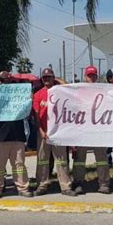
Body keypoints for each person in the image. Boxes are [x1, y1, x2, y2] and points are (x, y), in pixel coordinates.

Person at [33, 68, 76, 197]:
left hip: (58, 132)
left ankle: (65, 186)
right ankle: (42, 185)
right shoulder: (38, 94)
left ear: (54, 78)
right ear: (42, 79)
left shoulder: (61, 92)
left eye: (49, 77)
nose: (47, 79)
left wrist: (57, 82)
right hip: (43, 133)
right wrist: (40, 130)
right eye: (44, 77)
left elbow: (69, 89)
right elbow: (36, 115)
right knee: (42, 160)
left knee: (61, 160)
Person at [0, 71, 33, 198]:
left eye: (4, 80)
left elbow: (28, 112)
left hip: (17, 135)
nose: (1, 82)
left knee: (19, 164)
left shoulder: (19, 94)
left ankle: (22, 187)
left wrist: (29, 100)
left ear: (10, 80)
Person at [72, 66, 110, 194]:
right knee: (79, 159)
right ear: (85, 76)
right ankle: (78, 183)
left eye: (93, 75)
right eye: (89, 75)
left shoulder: (102, 90)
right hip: (82, 130)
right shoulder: (78, 90)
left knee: (101, 158)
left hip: (98, 130)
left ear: (97, 76)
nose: (91, 78)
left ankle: (104, 184)